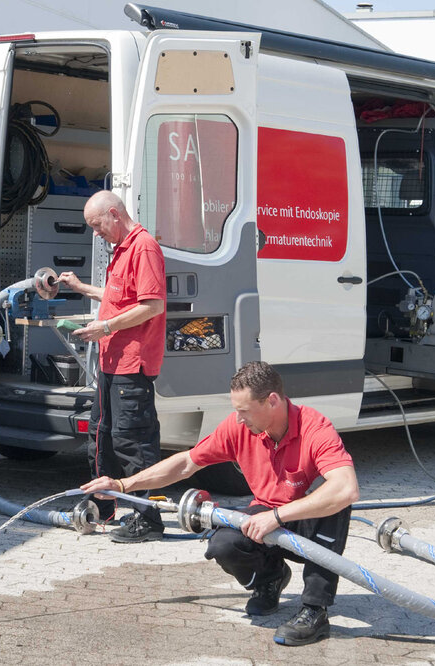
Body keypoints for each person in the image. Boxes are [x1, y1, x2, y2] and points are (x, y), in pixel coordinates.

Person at [81, 361, 360, 646]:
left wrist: (276, 516)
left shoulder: (314, 427)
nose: (239, 419)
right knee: (223, 545)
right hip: (265, 517)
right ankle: (270, 580)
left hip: (305, 521)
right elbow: (186, 464)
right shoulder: (240, 428)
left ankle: (315, 609)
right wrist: (122, 485)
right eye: (236, 411)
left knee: (335, 503)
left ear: (272, 401)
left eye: (244, 411)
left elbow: (346, 488)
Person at [57, 191, 166, 543]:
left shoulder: (143, 246)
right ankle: (103, 507)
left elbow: (152, 305)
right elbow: (119, 298)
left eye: (97, 225)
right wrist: (80, 288)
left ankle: (149, 519)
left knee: (132, 442)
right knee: (101, 437)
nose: (95, 234)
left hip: (131, 365)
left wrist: (104, 328)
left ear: (114, 215)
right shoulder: (122, 249)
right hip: (110, 363)